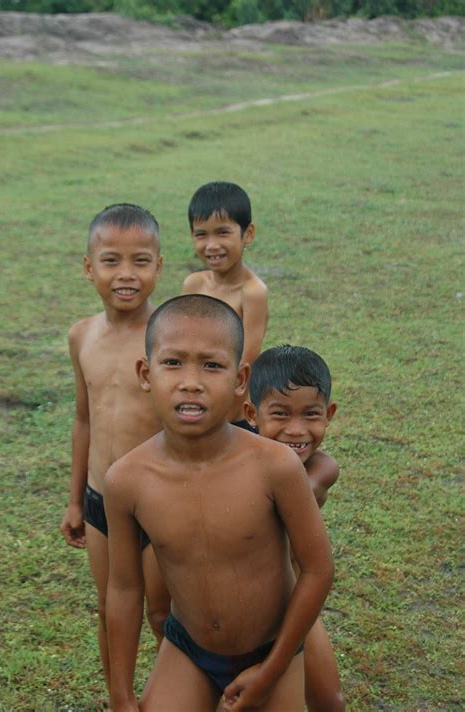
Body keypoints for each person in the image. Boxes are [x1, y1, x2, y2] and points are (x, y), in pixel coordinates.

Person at [104, 294, 334, 712]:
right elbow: (123, 588)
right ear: (145, 372)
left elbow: (318, 569)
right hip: (188, 649)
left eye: (212, 365)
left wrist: (272, 671)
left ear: (240, 378)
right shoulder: (126, 481)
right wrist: (120, 694)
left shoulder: (276, 466)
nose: (191, 381)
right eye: (172, 362)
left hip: (273, 649)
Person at [59, 203, 170, 695]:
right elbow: (85, 418)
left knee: (165, 613)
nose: (126, 274)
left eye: (141, 261)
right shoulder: (81, 336)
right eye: (111, 261)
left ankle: (186, 694)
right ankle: (119, 698)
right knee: (110, 610)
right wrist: (74, 498)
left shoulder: (169, 338)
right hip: (101, 500)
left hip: (162, 503)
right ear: (89, 267)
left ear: (159, 266)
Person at [244, 344, 345, 712]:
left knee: (329, 703)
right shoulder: (235, 466)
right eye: (280, 414)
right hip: (242, 611)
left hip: (296, 605)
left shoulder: (319, 470)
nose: (296, 429)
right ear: (251, 415)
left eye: (311, 414)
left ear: (329, 414)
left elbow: (311, 484)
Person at [182, 181, 268, 426]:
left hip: (233, 416)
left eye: (223, 232)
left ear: (247, 234)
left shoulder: (252, 293)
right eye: (201, 234)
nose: (212, 245)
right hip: (196, 404)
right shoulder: (193, 285)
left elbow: (246, 362)